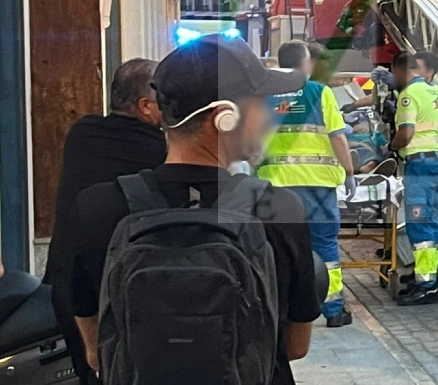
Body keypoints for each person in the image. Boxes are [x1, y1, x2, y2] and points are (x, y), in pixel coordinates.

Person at [66, 34, 320, 385]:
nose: (268, 118)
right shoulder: (279, 209)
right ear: (223, 117)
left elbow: (96, 351)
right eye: (261, 103)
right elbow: (294, 346)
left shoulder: (97, 207)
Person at [45, 58, 167, 385]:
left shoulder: (81, 132)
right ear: (145, 106)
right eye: (165, 101)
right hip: (116, 292)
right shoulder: (156, 150)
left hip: (66, 285)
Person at [259, 40, 356, 328]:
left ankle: (282, 309)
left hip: (275, 188)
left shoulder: (264, 95)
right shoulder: (319, 93)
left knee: (278, 247)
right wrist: (349, 171)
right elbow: (337, 136)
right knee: (324, 245)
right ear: (305, 64)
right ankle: (334, 309)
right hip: (317, 187)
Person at [390, 51, 438, 305]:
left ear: (402, 70)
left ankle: (426, 286)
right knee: (431, 220)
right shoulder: (436, 91)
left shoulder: (409, 95)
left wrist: (392, 147)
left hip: (419, 163)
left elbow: (407, 132)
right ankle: (430, 276)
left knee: (419, 224)